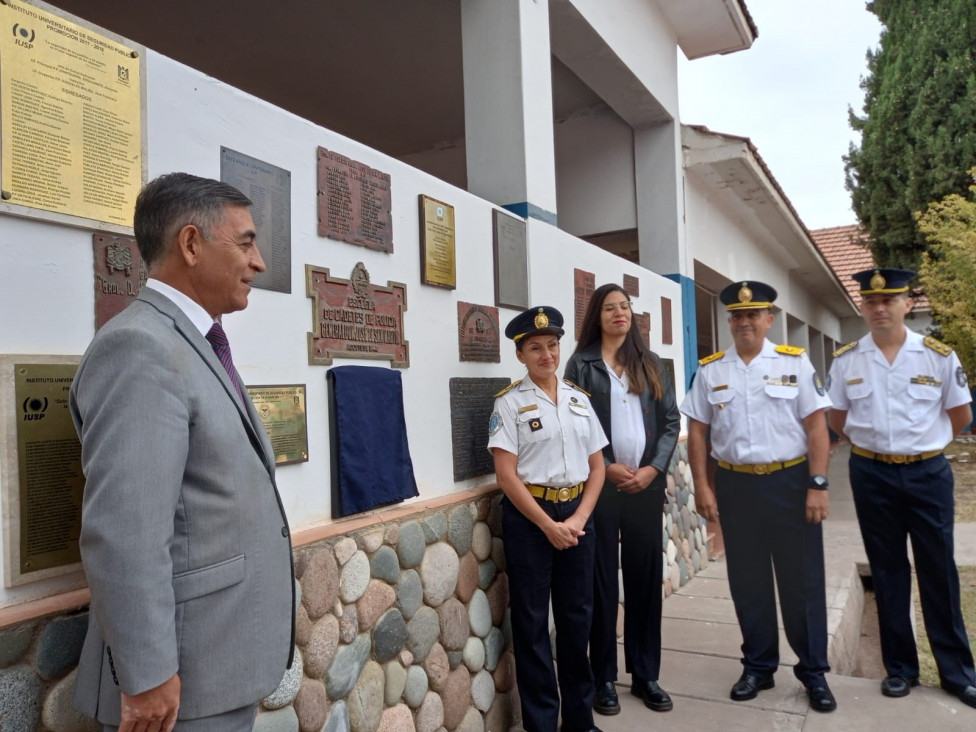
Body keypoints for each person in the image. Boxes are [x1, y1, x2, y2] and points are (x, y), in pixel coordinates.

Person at [70, 173, 295, 732]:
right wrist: (146, 676)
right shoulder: (140, 347)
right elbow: (125, 529)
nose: (260, 262)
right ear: (191, 245)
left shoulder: (193, 341)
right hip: (176, 689)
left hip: (214, 663)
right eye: (245, 242)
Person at [679, 280, 836, 713]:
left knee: (801, 581)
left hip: (790, 484)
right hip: (736, 486)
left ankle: (814, 673)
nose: (745, 321)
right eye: (737, 315)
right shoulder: (711, 370)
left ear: (769, 319)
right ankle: (759, 667)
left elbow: (817, 427)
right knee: (747, 581)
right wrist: (703, 486)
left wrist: (817, 484)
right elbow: (697, 432)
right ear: (728, 321)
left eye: (754, 314)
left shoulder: (795, 363)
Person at [827, 268, 976, 708]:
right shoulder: (847, 359)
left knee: (938, 571)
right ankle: (901, 669)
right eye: (870, 301)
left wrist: (921, 447)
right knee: (888, 569)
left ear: (907, 304)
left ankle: (957, 673)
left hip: (928, 474)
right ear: (861, 306)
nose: (878, 308)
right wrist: (878, 449)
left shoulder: (937, 355)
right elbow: (838, 419)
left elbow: (960, 415)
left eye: (888, 300)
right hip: (872, 475)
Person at [488, 306, 609, 732]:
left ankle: (580, 719)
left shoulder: (579, 399)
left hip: (577, 516)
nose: (546, 354)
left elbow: (598, 467)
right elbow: (506, 474)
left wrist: (578, 519)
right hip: (531, 522)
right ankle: (541, 723)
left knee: (578, 620)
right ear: (520, 355)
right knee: (533, 622)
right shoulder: (509, 403)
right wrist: (547, 525)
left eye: (552, 345)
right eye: (535, 348)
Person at [563, 284, 680, 716]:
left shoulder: (651, 363)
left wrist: (653, 469)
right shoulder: (582, 365)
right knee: (600, 584)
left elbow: (670, 421)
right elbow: (574, 424)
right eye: (610, 308)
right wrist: (606, 465)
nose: (619, 314)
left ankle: (646, 675)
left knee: (645, 581)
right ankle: (604, 679)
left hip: (645, 487)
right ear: (597, 316)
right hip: (601, 487)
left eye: (625, 307)